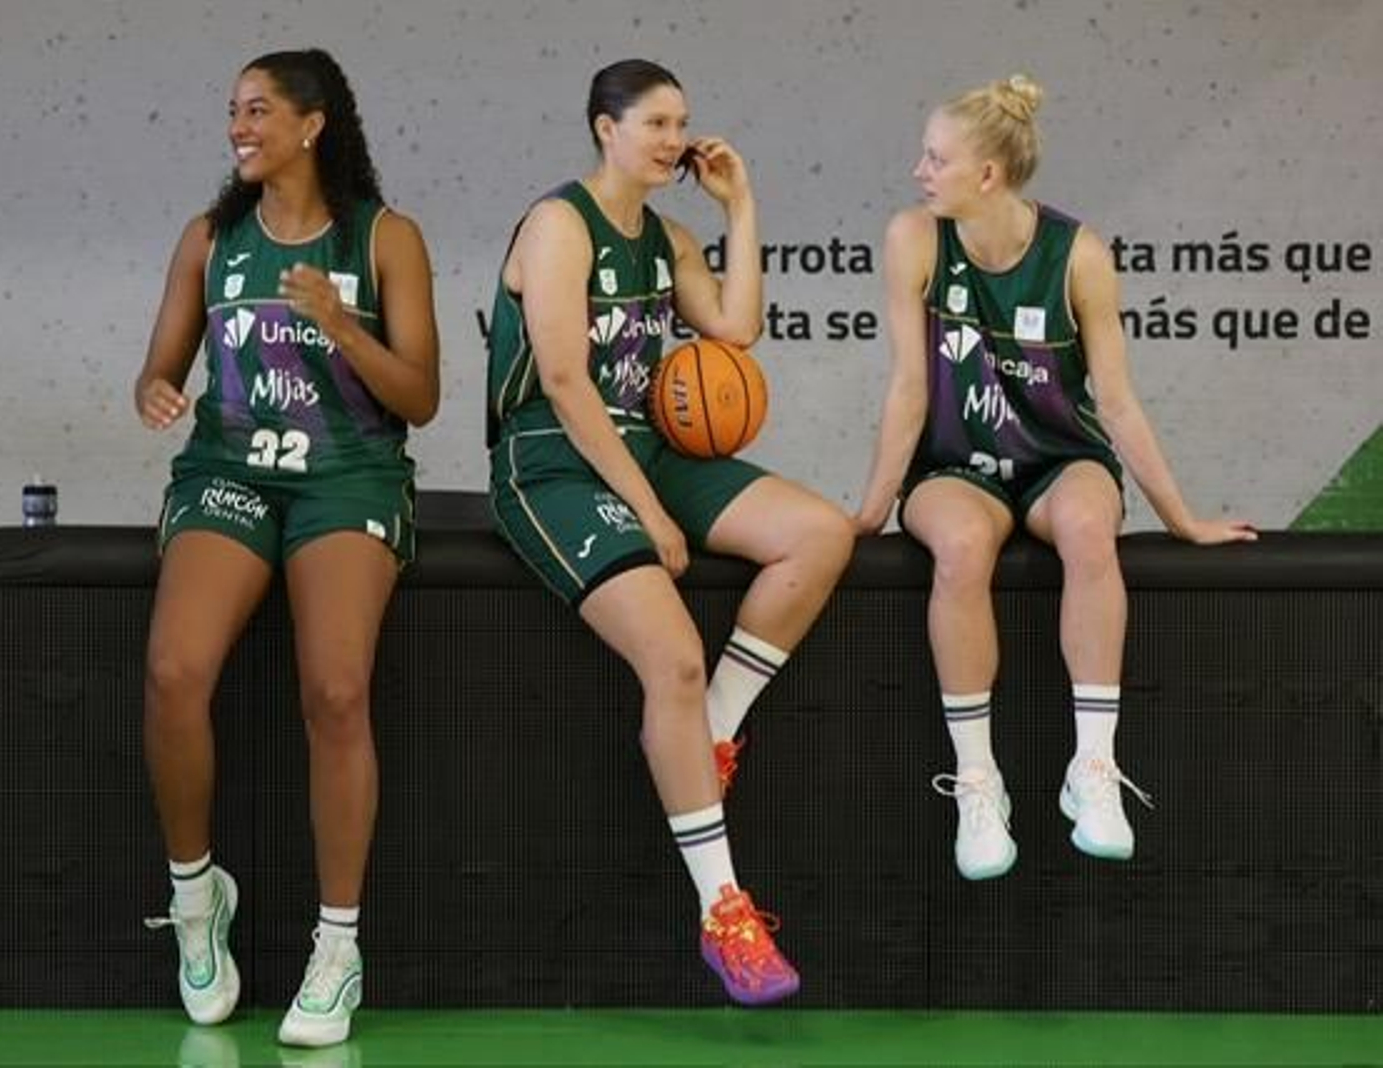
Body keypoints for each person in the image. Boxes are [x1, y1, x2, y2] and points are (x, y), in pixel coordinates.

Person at [485, 58, 855, 1004]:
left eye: (681, 123)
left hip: (648, 449)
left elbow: (736, 330)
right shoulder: (559, 225)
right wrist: (649, 515)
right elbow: (566, 384)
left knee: (820, 533)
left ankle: (716, 732)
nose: (672, 139)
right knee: (674, 660)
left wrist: (741, 207)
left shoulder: (670, 236)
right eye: (654, 122)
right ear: (604, 128)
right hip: (553, 461)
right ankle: (725, 911)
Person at [854, 74, 1257, 881]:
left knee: (1086, 528)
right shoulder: (913, 240)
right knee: (962, 547)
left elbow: (1118, 402)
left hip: (1059, 454)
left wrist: (1180, 517)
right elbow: (907, 387)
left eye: (935, 158)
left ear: (988, 175)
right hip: (953, 463)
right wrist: (866, 515)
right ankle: (978, 780)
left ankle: (1092, 772)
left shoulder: (1078, 255)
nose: (918, 171)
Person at [133, 49, 439, 1046]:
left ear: (313, 125)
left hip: (346, 479)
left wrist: (340, 326)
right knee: (175, 671)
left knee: (337, 691)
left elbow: (421, 399)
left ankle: (337, 946)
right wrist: (157, 392)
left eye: (258, 110)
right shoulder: (211, 239)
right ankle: (195, 899)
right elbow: (158, 369)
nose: (239, 127)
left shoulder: (385, 238)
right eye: (232, 111)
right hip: (229, 469)